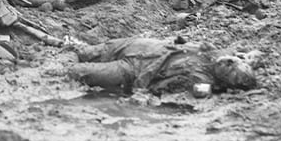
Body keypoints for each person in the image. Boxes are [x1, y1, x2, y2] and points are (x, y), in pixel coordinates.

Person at [68, 37, 257, 95]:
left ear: (226, 82)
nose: (228, 62)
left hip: (132, 69)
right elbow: (255, 53)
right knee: (83, 51)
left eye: (230, 70)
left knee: (77, 72)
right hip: (139, 45)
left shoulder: (203, 81)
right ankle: (58, 42)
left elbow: (165, 90)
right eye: (233, 61)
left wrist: (214, 91)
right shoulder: (220, 53)